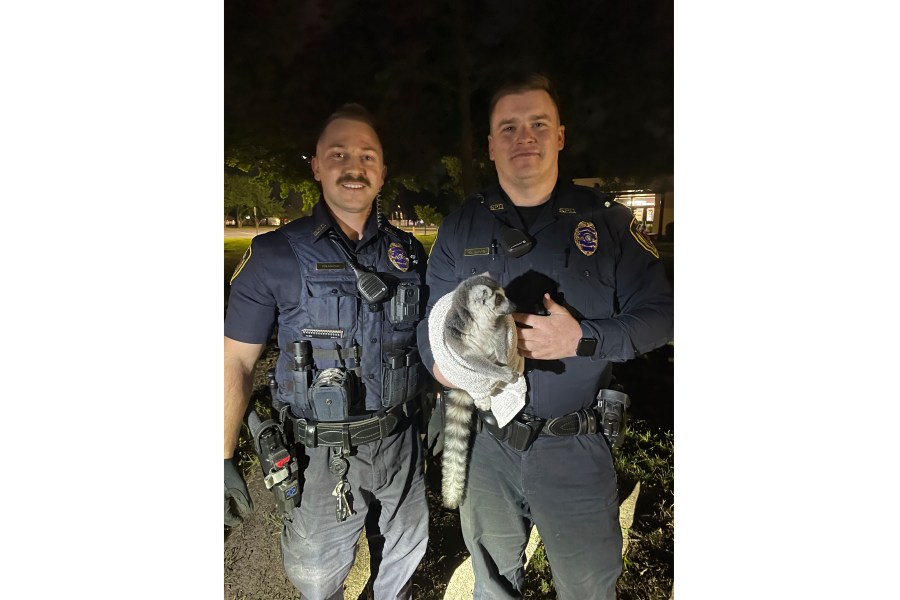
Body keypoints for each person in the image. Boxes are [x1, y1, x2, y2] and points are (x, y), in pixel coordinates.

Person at [416, 73, 673, 599]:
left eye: (537, 123)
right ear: (490, 145)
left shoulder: (608, 224)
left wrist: (584, 339)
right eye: (507, 127)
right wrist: (442, 366)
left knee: (587, 588)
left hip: (572, 446)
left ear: (560, 135)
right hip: (485, 443)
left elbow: (665, 315)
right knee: (492, 583)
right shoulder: (460, 226)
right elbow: (430, 325)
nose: (523, 137)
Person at [224, 103, 429, 600]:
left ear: (382, 169)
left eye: (366, 154)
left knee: (404, 553)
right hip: (320, 457)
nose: (353, 166)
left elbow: (429, 341)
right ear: (315, 164)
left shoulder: (410, 253)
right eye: (338, 153)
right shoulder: (274, 253)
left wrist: (449, 403)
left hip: (402, 442)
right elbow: (235, 360)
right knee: (317, 577)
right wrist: (220, 452)